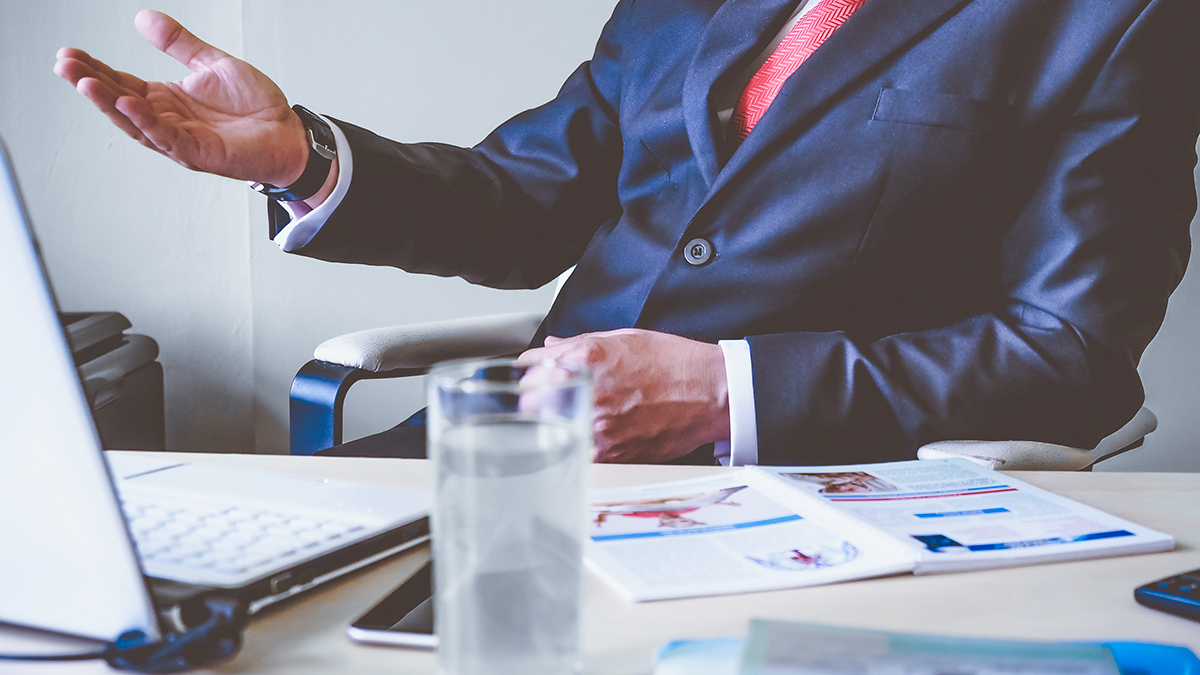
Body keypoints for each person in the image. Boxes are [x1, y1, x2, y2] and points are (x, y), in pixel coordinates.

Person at [55, 1, 1200, 466]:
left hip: (805, 491)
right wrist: (304, 157)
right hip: (519, 450)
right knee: (202, 587)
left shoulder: (1118, 18)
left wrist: (722, 393)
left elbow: (1069, 354)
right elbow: (524, 200)